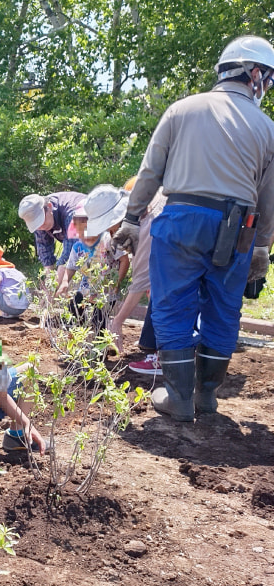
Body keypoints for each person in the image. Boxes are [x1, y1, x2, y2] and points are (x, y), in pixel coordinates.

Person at [112, 36, 274, 421]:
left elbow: (150, 172)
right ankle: (207, 397)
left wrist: (133, 220)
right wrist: (262, 247)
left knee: (171, 305)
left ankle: (179, 399)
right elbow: (269, 197)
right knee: (224, 307)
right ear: (253, 73)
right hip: (239, 226)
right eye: (267, 78)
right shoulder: (268, 128)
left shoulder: (181, 110)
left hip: (182, 217)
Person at [106, 177, 166, 367]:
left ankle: (165, 359)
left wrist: (117, 322)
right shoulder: (159, 199)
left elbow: (139, 281)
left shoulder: (149, 223)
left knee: (171, 297)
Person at [56, 196, 129, 334]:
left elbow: (124, 260)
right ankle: (80, 340)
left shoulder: (108, 241)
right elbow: (71, 267)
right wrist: (65, 281)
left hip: (105, 291)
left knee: (98, 320)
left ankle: (103, 349)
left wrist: (117, 282)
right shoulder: (78, 246)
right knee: (74, 310)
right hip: (86, 289)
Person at [18, 191, 86, 287]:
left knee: (85, 285)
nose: (40, 227)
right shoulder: (41, 222)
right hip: (83, 245)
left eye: (41, 221)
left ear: (49, 207)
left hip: (100, 241)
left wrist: (54, 289)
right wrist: (49, 286)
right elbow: (45, 252)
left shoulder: (72, 213)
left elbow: (69, 253)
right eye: (36, 224)